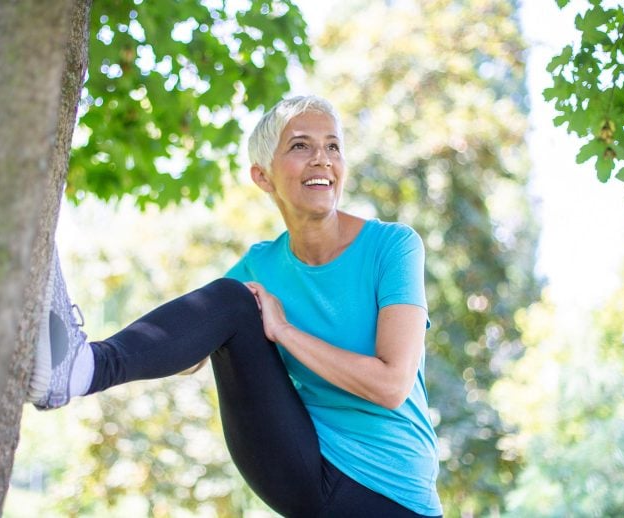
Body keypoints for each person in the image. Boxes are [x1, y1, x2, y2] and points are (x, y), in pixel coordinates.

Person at [27, 96, 443, 517]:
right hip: (303, 469)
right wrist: (187, 344)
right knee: (231, 299)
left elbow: (392, 386)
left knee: (234, 299)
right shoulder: (259, 266)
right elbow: (200, 339)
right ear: (263, 177)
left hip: (391, 497)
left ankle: (82, 368)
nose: (322, 158)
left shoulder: (393, 247)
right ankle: (82, 368)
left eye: (333, 146)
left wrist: (284, 332)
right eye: (300, 145)